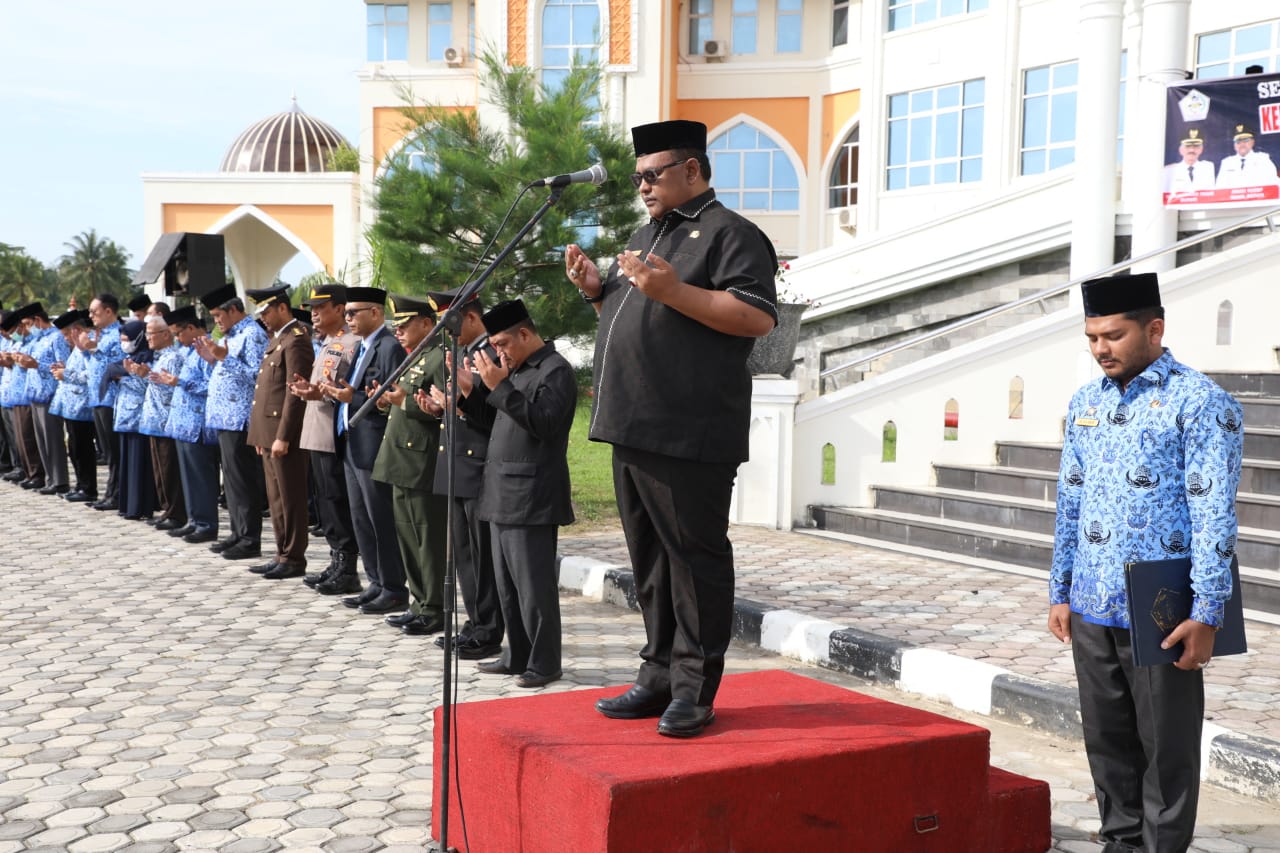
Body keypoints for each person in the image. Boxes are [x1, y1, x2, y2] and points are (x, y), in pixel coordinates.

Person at [565, 119, 778, 736]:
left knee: (692, 561)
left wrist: (673, 289)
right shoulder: (648, 234)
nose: (642, 187)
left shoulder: (731, 235)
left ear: (692, 170)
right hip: (632, 426)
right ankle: (657, 674)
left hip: (689, 431)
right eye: (637, 177)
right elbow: (642, 320)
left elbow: (755, 318)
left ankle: (694, 686)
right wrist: (595, 294)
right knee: (650, 563)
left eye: (652, 175)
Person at [1047, 272, 1243, 853]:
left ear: (1154, 329)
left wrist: (1207, 613)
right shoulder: (1086, 403)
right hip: (1090, 603)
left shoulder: (1201, 403)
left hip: (1163, 607)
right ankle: (1122, 842)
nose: (1100, 349)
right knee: (1107, 741)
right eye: (1091, 338)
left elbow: (1215, 516)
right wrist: (1060, 589)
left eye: (1112, 335)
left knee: (1167, 747)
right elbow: (1070, 501)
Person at [462, 299, 576, 689]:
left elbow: (543, 424)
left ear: (525, 334)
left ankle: (545, 663)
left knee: (533, 588)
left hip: (531, 494)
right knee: (507, 586)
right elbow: (498, 421)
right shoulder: (518, 371)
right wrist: (468, 394)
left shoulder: (555, 371)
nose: (499, 352)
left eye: (504, 343)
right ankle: (518, 655)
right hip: (500, 490)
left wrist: (500, 386)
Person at [417, 290, 504, 661]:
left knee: (482, 559)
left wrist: (463, 400)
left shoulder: (491, 353)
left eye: (449, 322)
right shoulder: (466, 352)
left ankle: (488, 630)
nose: (443, 329)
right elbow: (463, 408)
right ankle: (474, 623)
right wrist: (441, 409)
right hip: (457, 463)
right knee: (465, 556)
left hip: (479, 464)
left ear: (470, 317)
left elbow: (496, 416)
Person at [319, 286, 407, 615]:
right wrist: (333, 391)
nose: (348, 318)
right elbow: (356, 389)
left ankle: (394, 587)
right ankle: (376, 582)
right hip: (351, 443)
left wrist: (349, 398)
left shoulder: (389, 347)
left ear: (376, 313)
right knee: (362, 520)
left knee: (380, 519)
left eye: (354, 312)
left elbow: (386, 398)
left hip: (374, 445)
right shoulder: (363, 346)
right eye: (347, 313)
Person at [371, 293, 448, 636]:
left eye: (404, 325)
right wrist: (389, 403)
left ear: (427, 324)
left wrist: (406, 403)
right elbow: (404, 401)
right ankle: (418, 602)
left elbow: (444, 410)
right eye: (396, 327)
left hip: (422, 460)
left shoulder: (439, 359)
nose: (398, 332)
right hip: (400, 458)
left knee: (426, 539)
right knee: (407, 535)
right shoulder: (413, 357)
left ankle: (433, 608)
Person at [290, 284, 361, 595]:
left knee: (336, 501)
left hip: (334, 435)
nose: (313, 314)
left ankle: (347, 568)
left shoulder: (351, 342)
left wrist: (321, 393)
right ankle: (336, 560)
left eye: (320, 308)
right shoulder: (328, 342)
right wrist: (309, 390)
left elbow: (347, 390)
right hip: (316, 432)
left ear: (339, 309)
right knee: (325, 503)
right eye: (312, 309)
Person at [245, 285, 314, 580]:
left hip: (284, 435)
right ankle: (281, 552)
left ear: (282, 308)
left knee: (290, 497)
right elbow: (265, 392)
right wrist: (261, 435)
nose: (263, 318)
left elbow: (293, 393)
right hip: (269, 433)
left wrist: (283, 435)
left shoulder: (296, 339)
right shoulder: (279, 339)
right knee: (275, 498)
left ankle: (294, 557)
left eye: (267, 311)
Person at [198, 284, 269, 560]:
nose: (216, 321)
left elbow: (256, 377)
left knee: (243, 481)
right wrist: (215, 360)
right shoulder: (233, 335)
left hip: (240, 418)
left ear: (235, 310)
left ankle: (250, 539)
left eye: (219, 315)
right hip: (225, 419)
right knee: (231, 483)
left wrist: (224, 357)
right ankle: (238, 533)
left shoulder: (252, 335)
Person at [157, 306, 220, 544]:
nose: (176, 338)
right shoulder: (190, 351)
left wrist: (180, 382)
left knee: (200, 476)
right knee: (188, 477)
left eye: (178, 333)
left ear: (191, 328)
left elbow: (211, 386)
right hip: (183, 423)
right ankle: (194, 520)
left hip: (198, 424)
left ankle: (206, 524)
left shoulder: (208, 349)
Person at [137, 315, 187, 531]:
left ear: (166, 334)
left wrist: (148, 375)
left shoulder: (173, 357)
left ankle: (176, 513)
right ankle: (167, 510)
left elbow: (173, 390)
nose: (147, 338)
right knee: (160, 470)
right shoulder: (160, 357)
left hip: (166, 420)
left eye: (151, 333)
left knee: (169, 470)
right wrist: (144, 374)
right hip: (154, 420)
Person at [81, 293, 125, 511]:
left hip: (111, 398)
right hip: (97, 397)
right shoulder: (100, 335)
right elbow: (94, 364)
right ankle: (111, 492)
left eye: (94, 312)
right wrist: (87, 349)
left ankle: (116, 494)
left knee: (113, 450)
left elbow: (119, 363)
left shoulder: (118, 334)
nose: (91, 316)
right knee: (107, 450)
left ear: (109, 311)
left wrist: (92, 348)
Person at [50, 309, 98, 502]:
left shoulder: (89, 345)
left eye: (66, 335)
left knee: (83, 449)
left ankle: (88, 488)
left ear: (76, 330)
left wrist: (66, 374)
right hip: (71, 407)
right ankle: (80, 485)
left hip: (83, 407)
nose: (66, 340)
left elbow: (92, 374)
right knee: (74, 448)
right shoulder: (76, 349)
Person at [113, 320, 157, 520]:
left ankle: (140, 506)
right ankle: (127, 505)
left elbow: (148, 387)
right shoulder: (129, 357)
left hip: (139, 416)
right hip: (124, 416)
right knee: (127, 463)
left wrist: (127, 377)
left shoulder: (149, 357)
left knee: (139, 463)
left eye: (127, 339)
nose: (124, 343)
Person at [1215, 124, 1279, 189]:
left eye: (1246, 140)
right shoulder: (1227, 163)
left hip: (1257, 198)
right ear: (1234, 145)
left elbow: (1273, 185)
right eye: (1238, 141)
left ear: (1252, 142)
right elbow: (1219, 188)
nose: (1242, 144)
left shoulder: (1263, 159)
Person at [1162, 128, 1215, 193]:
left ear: (1201, 149)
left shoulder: (1208, 168)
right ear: (1180, 150)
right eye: (1188, 146)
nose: (1192, 150)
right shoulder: (1170, 170)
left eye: (1196, 146)